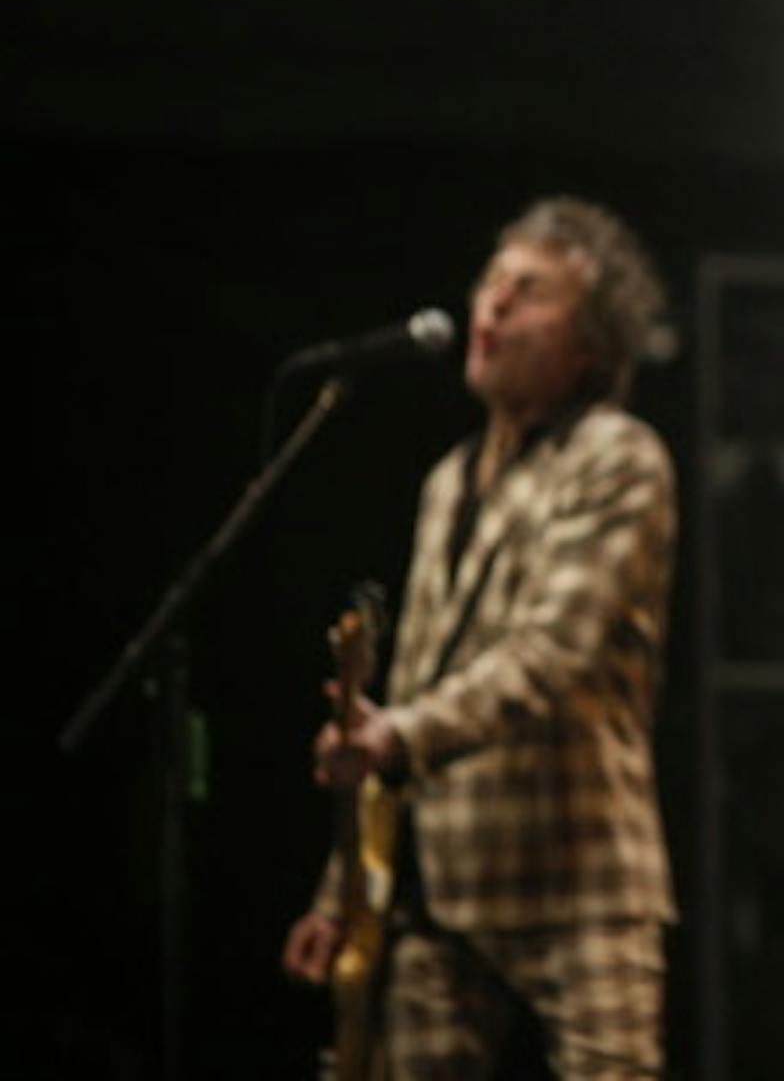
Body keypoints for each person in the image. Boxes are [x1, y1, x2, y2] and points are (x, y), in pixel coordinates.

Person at [282, 196, 678, 1078]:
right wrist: (345, 890)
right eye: (491, 284)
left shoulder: (619, 456)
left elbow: (551, 653)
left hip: (579, 882)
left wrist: (400, 735)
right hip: (440, 890)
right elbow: (413, 682)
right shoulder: (448, 481)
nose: (491, 307)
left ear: (592, 344)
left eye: (529, 292)